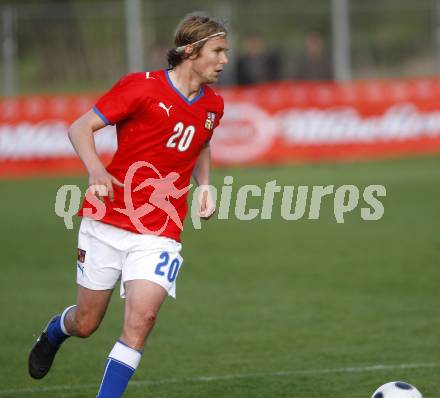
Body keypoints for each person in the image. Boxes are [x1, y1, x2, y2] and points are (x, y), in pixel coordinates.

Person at [28, 13, 228, 398]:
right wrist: (96, 170)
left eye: (225, 52)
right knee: (87, 322)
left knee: (143, 319)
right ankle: (55, 331)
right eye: (217, 51)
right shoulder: (141, 88)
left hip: (160, 231)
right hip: (108, 219)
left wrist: (205, 186)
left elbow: (202, 142)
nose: (223, 60)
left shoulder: (213, 106)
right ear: (190, 51)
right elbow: (79, 127)